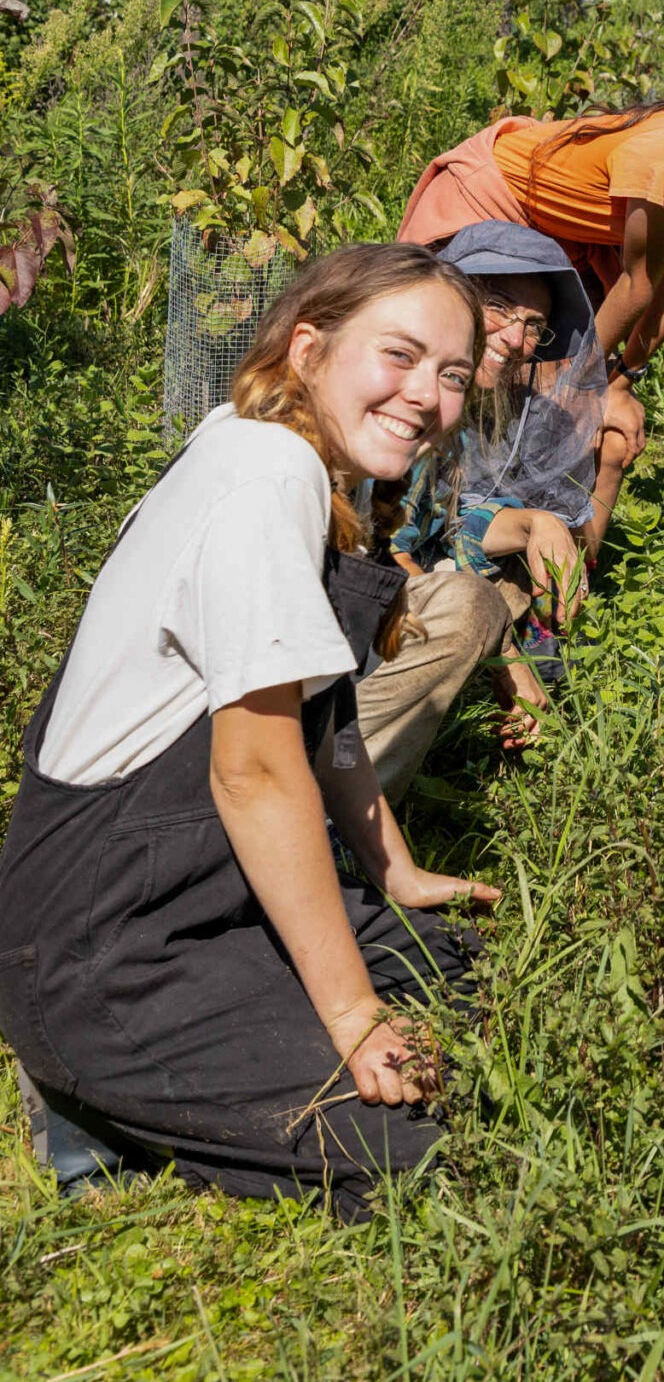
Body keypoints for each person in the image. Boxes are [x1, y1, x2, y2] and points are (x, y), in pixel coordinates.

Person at [0, 244, 502, 1215]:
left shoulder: (303, 465)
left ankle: (149, 1086)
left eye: (449, 373)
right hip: (102, 944)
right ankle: (91, 1104)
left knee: (457, 977)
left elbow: (328, 721)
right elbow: (257, 778)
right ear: (308, 347)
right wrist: (354, 1018)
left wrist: (392, 867)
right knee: (426, 1134)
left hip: (197, 904)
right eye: (397, 355)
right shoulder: (264, 475)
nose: (426, 395)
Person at [398, 29, 664, 434]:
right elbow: (640, 284)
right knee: (464, 356)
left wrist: (621, 377)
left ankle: (510, 494)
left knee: (559, 400)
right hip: (495, 199)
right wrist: (580, 381)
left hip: (576, 240)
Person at [366, 223, 635, 791]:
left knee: (515, 578)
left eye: (534, 325)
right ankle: (355, 810)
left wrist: (539, 522)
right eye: (498, 306)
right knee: (480, 603)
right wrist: (502, 652)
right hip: (339, 614)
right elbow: (384, 556)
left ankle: (491, 745)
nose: (515, 338)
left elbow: (452, 520)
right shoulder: (407, 401)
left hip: (402, 584)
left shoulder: (489, 404)